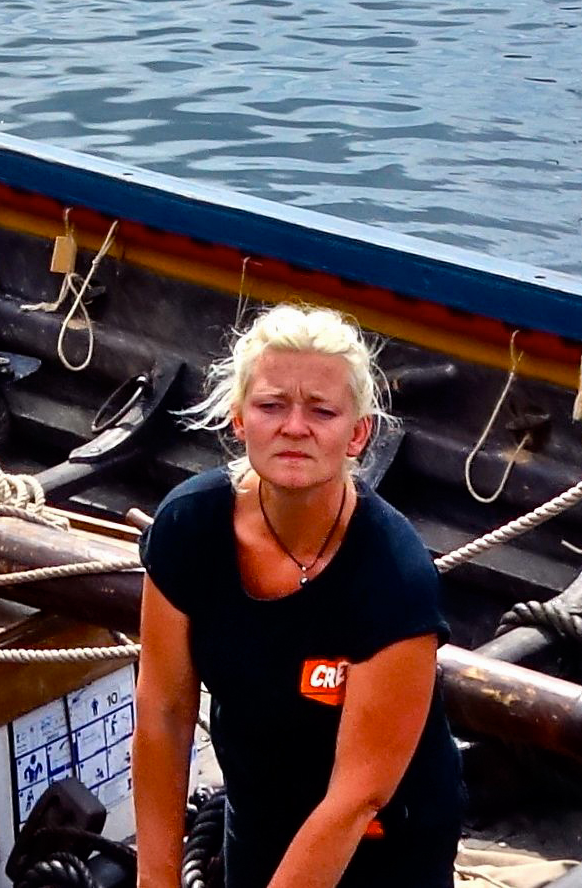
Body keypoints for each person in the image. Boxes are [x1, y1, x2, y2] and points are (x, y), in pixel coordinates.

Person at [134, 305, 461, 888]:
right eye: (271, 405)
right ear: (238, 419)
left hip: (385, 846)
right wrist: (154, 881)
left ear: (357, 434)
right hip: (259, 821)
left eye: (322, 411)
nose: (294, 427)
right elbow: (163, 713)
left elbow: (358, 795)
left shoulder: (394, 577)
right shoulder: (188, 528)